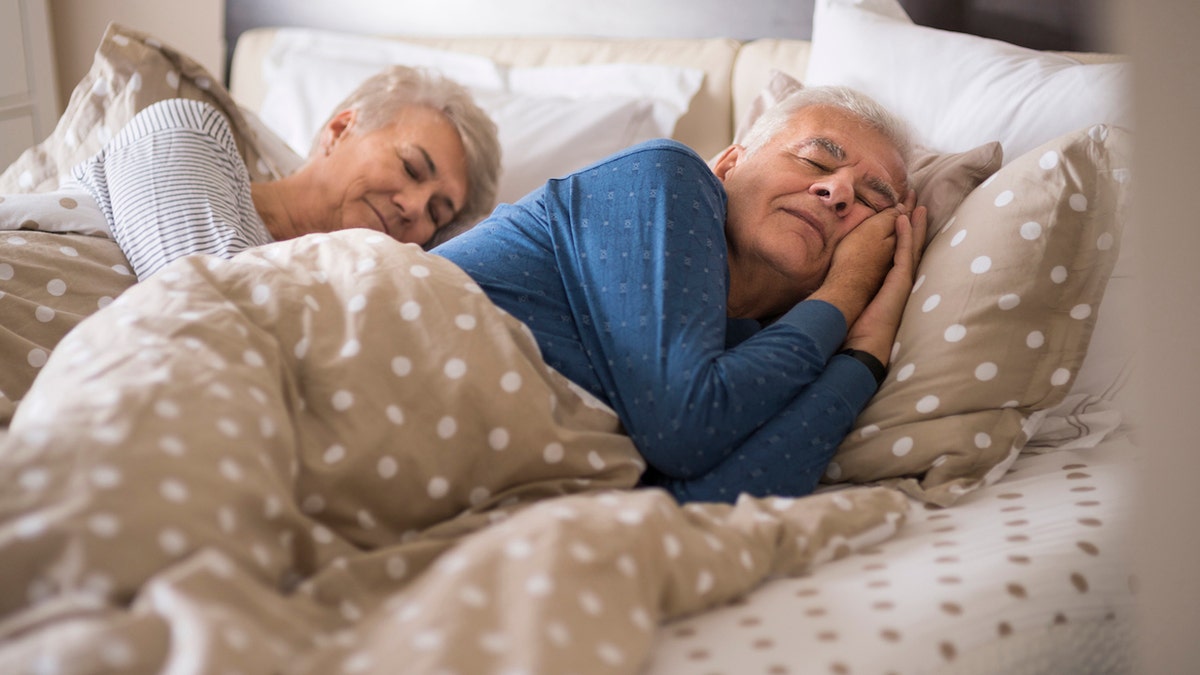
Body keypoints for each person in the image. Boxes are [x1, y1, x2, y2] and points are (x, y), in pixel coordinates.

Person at [433, 85, 928, 503]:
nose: (838, 192)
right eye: (816, 159)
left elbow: (700, 509)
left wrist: (865, 354)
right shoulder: (663, 175)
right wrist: (846, 291)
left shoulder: (767, 359)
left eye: (871, 199)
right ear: (731, 164)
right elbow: (685, 428)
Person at [68, 65, 501, 279]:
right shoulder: (188, 131)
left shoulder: (352, 295)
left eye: (437, 214)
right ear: (340, 129)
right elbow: (196, 294)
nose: (413, 208)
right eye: (410, 167)